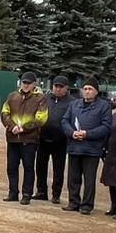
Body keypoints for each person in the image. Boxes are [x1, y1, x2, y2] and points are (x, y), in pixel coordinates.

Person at [61, 77, 112, 215]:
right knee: (73, 177)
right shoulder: (74, 104)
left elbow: (106, 127)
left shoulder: (104, 106)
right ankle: (73, 202)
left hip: (92, 149)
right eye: (85, 89)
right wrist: (72, 133)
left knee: (89, 179)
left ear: (96, 92)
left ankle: (87, 205)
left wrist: (87, 134)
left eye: (90, 89)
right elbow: (65, 121)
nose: (87, 92)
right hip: (74, 146)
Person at [0, 72, 48, 204]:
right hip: (13, 138)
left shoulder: (40, 99)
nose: (26, 85)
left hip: (29, 139)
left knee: (28, 167)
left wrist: (25, 128)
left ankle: (27, 194)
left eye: (28, 83)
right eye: (24, 82)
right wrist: (12, 127)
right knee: (11, 167)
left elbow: (42, 118)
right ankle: (13, 193)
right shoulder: (12, 96)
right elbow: (5, 112)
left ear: (34, 84)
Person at [33, 76, 73, 204]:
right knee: (40, 166)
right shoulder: (44, 99)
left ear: (67, 88)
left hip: (60, 140)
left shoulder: (72, 102)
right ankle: (41, 191)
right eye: (56, 86)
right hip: (43, 138)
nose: (57, 88)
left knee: (58, 168)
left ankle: (56, 194)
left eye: (61, 86)